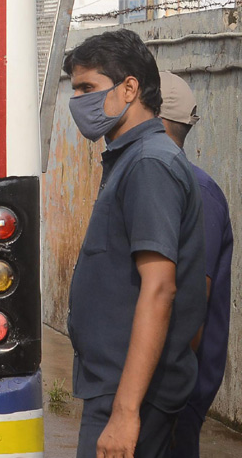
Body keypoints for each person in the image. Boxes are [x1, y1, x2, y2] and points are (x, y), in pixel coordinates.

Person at [62, 30, 206, 458]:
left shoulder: (148, 164)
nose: (79, 103)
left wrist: (125, 412)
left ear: (129, 88)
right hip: (117, 388)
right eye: (76, 91)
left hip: (129, 396)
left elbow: (160, 288)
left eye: (89, 88)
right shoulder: (132, 160)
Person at [157, 72, 234, 458]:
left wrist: (165, 397)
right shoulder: (161, 183)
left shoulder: (195, 192)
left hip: (171, 400)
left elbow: (190, 309)